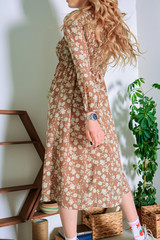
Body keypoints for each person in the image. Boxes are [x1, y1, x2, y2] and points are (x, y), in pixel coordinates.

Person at [41, 0, 156, 240]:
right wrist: (94, 111)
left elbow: (83, 70)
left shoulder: (75, 21)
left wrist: (90, 115)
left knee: (68, 170)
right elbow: (91, 72)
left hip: (74, 104)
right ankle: (139, 234)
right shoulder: (104, 21)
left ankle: (71, 239)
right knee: (112, 165)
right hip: (95, 100)